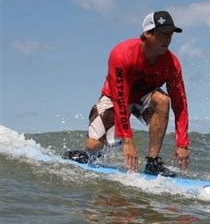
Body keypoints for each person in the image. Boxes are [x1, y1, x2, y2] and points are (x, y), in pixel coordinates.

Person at [65, 11, 190, 177]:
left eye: (170, 35)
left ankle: (152, 162)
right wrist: (128, 141)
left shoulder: (172, 63)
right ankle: (94, 150)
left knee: (163, 100)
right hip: (115, 98)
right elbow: (120, 99)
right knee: (93, 146)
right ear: (147, 33)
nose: (168, 39)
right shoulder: (122, 54)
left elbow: (180, 104)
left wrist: (183, 144)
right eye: (163, 34)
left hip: (143, 98)